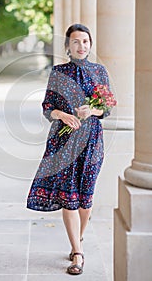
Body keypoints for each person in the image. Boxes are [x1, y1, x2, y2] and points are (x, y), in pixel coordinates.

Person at [27, 23, 113, 275]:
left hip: (92, 142)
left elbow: (106, 107)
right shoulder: (58, 72)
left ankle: (78, 239)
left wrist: (93, 110)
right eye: (76, 41)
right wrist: (62, 115)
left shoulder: (99, 71)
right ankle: (77, 252)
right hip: (62, 143)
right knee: (70, 198)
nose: (81, 46)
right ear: (68, 46)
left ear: (90, 44)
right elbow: (47, 108)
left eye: (85, 41)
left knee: (86, 200)